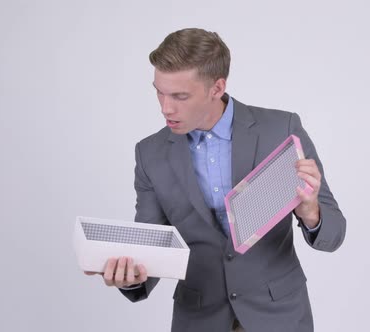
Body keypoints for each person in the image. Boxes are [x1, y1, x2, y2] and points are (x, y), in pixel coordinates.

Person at [85, 28, 346, 332]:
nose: (165, 107)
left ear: (217, 87)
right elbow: (153, 249)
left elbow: (335, 234)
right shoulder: (150, 154)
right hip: (199, 319)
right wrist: (129, 276)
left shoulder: (281, 129)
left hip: (279, 317)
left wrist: (310, 212)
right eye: (159, 91)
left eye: (180, 96)